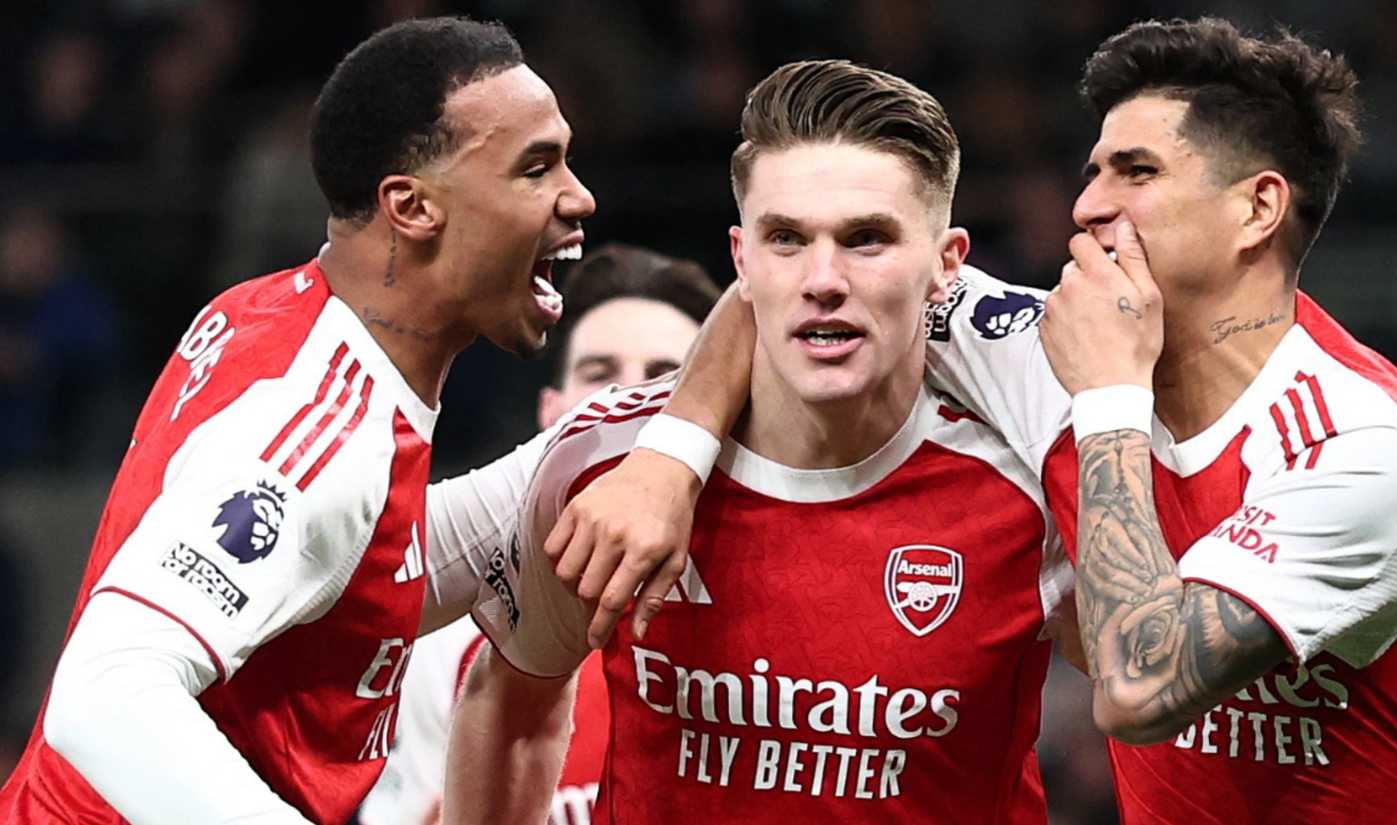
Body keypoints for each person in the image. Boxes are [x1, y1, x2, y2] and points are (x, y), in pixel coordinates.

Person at [564, 16, 1397, 825]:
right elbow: (793, 290)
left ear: (1258, 207)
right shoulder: (1045, 343)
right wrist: (667, 460)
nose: (1088, 205)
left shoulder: (1357, 446)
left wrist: (1109, 398)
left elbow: (1140, 682)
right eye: (1093, 172)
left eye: (1137, 172)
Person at [0, 17, 612, 825]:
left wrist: (633, 436)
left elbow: (352, 569)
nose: (578, 195)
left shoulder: (276, 316)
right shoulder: (317, 424)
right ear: (412, 206)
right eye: (536, 168)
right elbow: (106, 692)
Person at [446, 60, 1076, 824]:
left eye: (866, 239)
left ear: (948, 265)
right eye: (786, 238)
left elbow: (1150, 697)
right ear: (743, 259)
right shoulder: (608, 467)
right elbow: (511, 704)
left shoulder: (1028, 487)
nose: (823, 278)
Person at [357, 243, 721, 825]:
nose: (628, 402)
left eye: (662, 381)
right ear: (553, 413)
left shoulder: (773, 605)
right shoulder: (450, 635)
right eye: (599, 375)